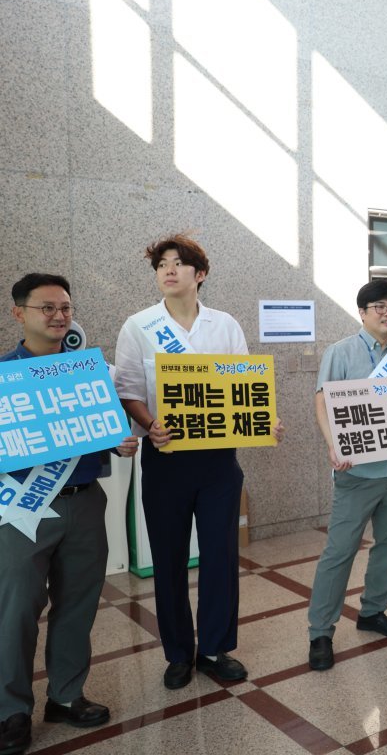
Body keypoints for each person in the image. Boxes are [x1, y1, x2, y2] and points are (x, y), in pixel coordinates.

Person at [114, 234, 283, 690]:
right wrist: (149, 425)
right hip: (166, 458)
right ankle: (177, 654)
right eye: (161, 264)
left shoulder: (224, 325)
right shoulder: (139, 326)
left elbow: (244, 385)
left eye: (178, 263)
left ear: (199, 274)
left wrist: (263, 421)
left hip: (218, 463)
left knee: (221, 556)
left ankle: (213, 648)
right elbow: (128, 389)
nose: (168, 270)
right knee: (168, 560)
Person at [0, 274, 138, 755]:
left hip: (84, 500)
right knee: (15, 610)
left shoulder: (90, 372)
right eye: (47, 308)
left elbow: (112, 436)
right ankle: (10, 711)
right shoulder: (5, 377)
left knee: (78, 604)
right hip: (23, 509)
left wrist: (122, 444)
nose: (59, 316)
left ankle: (65, 695)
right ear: (19, 314)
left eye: (65, 307)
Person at [308, 280, 387, 671]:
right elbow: (322, 401)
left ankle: (373, 611)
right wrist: (334, 445)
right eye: (379, 306)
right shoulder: (340, 352)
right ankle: (320, 631)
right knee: (339, 552)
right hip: (357, 475)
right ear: (362, 312)